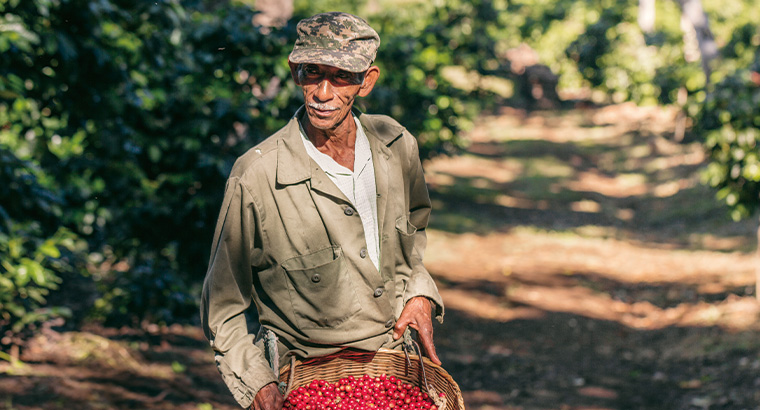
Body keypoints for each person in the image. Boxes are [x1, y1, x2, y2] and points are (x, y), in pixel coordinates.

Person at [200, 11, 444, 410]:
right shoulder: (258, 176)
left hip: (394, 365)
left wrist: (419, 293)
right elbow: (222, 307)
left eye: (342, 76)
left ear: (367, 81)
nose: (323, 92)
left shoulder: (397, 145)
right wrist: (259, 384)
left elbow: (413, 233)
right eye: (312, 73)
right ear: (295, 72)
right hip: (308, 377)